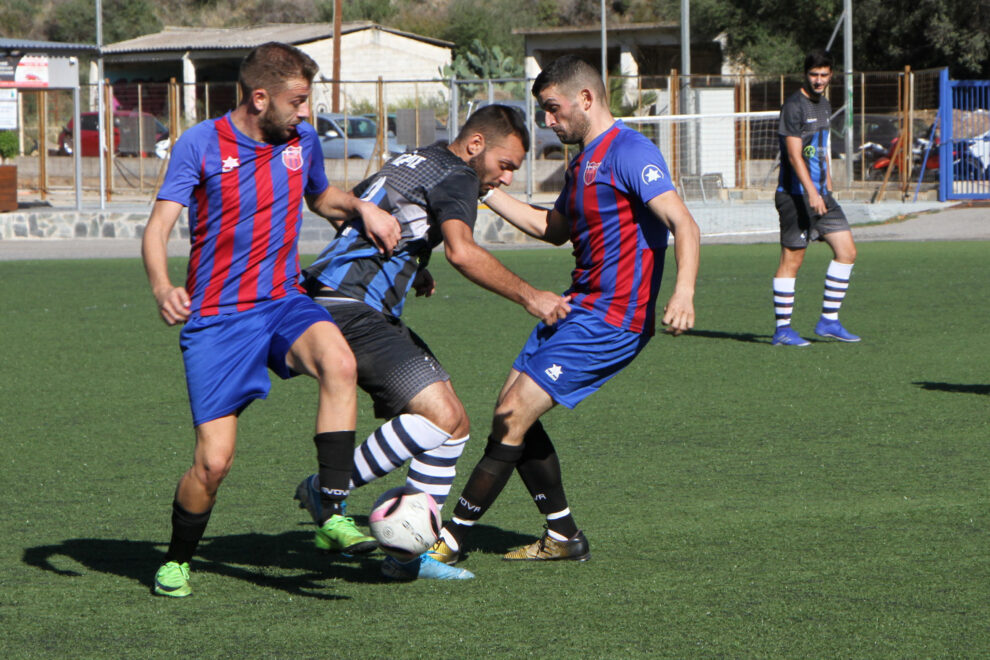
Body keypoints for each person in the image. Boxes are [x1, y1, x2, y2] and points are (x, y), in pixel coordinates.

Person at [141, 42, 401, 598]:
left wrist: (361, 207)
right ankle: (179, 558)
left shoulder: (301, 140)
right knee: (213, 465)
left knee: (339, 361)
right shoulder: (202, 144)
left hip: (281, 300)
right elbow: (157, 228)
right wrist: (164, 287)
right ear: (261, 98)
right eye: (299, 100)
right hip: (216, 319)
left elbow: (321, 196)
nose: (307, 112)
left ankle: (331, 506)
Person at [427, 55, 700, 566]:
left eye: (553, 110)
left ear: (587, 99)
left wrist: (682, 293)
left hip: (613, 319)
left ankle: (452, 539)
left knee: (513, 415)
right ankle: (563, 536)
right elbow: (555, 229)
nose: (548, 122)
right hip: (577, 308)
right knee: (509, 413)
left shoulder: (630, 151)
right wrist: (487, 193)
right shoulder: (584, 163)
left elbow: (684, 224)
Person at [291, 104, 571, 581]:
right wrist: (532, 296)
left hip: (332, 298)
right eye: (506, 166)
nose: (505, 179)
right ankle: (329, 490)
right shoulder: (458, 176)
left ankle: (405, 556)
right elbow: (463, 252)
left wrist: (412, 263)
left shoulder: (414, 158)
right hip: (352, 307)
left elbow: (360, 219)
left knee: (454, 422)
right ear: (477, 144)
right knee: (441, 417)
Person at [771, 49, 860, 347]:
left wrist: (828, 181)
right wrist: (811, 192)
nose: (819, 80)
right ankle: (783, 330)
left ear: (831, 75)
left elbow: (821, 146)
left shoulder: (824, 105)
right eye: (813, 74)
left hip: (822, 195)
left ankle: (828, 321)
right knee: (792, 261)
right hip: (795, 196)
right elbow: (795, 156)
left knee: (847, 251)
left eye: (824, 75)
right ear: (805, 75)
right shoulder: (794, 106)